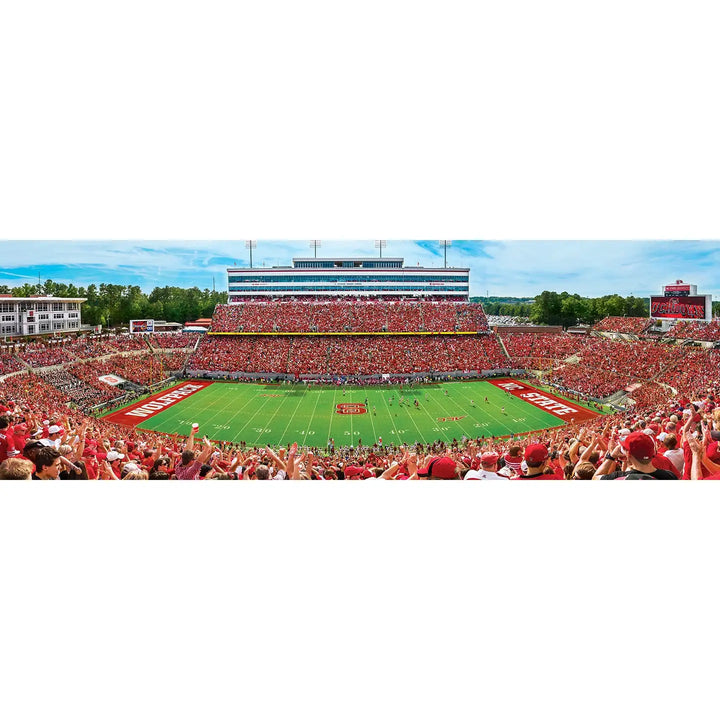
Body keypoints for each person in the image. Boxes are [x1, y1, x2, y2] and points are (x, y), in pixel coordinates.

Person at [594, 431, 678, 480]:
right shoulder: (670, 476)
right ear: (653, 452)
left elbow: (595, 478)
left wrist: (611, 457)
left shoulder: (620, 477)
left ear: (628, 454)